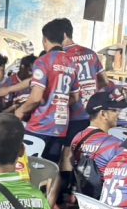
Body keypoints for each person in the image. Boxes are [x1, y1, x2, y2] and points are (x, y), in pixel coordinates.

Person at [15, 19, 79, 163]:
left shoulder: (43, 61)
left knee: (27, 165)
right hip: (60, 127)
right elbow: (75, 97)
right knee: (50, 168)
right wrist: (57, 104)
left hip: (40, 126)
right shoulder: (71, 63)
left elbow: (36, 98)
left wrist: (20, 111)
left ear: (45, 40)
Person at [70, 91, 127, 197]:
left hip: (83, 197)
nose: (118, 114)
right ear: (103, 114)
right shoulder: (114, 144)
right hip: (103, 199)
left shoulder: (77, 138)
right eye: (114, 110)